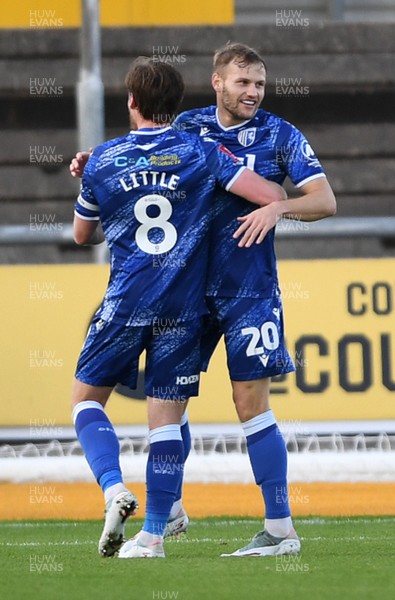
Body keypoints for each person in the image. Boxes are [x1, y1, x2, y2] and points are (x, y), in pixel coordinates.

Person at [71, 56, 287, 559]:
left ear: (130, 102)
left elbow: (82, 235)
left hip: (125, 302)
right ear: (179, 104)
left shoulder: (102, 158)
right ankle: (152, 537)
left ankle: (111, 487)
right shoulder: (200, 149)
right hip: (183, 308)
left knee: (85, 401)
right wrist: (275, 199)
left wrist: (103, 188)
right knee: (165, 421)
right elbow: (267, 194)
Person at [172, 42, 336, 557]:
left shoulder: (279, 134)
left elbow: (325, 201)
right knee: (168, 401)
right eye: (243, 83)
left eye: (259, 84)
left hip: (250, 291)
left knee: (251, 407)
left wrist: (279, 209)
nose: (253, 93)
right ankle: (167, 508)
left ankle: (280, 528)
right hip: (188, 289)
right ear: (217, 81)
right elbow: (142, 171)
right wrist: (94, 166)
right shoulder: (186, 127)